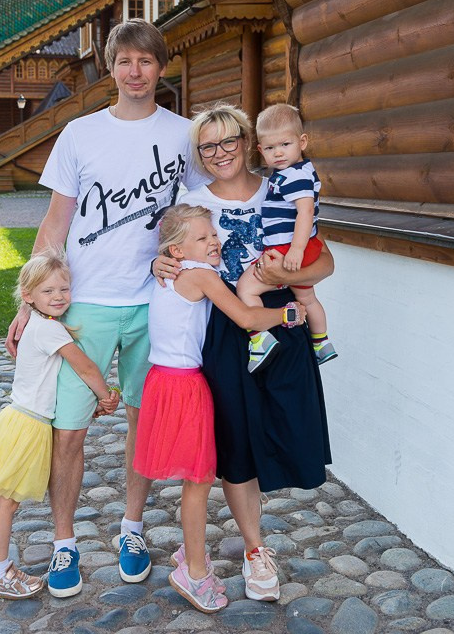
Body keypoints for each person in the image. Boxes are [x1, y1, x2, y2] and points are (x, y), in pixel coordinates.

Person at [5, 19, 205, 595]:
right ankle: (64, 543)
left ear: (161, 67)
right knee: (69, 429)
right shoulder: (80, 133)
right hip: (83, 304)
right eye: (125, 62)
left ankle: (132, 529)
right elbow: (56, 221)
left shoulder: (183, 136)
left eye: (146, 61)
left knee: (143, 421)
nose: (135, 72)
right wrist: (29, 302)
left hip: (154, 304)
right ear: (111, 68)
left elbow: (199, 212)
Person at [152, 103, 332, 602]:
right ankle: (255, 549)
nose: (220, 152)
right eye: (208, 145)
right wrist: (157, 264)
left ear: (247, 141)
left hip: (282, 319)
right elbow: (170, 257)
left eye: (228, 140)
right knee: (237, 443)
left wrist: (288, 277)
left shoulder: (282, 185)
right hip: (226, 327)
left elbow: (324, 262)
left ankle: (252, 539)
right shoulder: (192, 200)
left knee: (286, 426)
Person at [134, 204, 305, 613]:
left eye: (213, 234)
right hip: (184, 386)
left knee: (196, 479)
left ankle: (190, 554)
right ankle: (194, 572)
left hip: (162, 379)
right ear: (177, 251)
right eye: (202, 237)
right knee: (198, 482)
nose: (214, 242)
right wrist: (285, 314)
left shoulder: (174, 272)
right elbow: (245, 316)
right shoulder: (201, 275)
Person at [0, 249, 118, 600]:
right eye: (48, 291)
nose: (58, 296)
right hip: (29, 426)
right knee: (7, 503)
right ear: (28, 296)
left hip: (14, 418)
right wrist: (106, 396)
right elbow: (85, 367)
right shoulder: (49, 330)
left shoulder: (38, 324)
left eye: (64, 289)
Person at [236, 103, 337, 371]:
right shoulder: (297, 172)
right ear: (260, 150)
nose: (278, 153)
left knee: (246, 289)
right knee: (307, 298)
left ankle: (259, 338)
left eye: (285, 144)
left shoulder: (293, 176)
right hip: (302, 246)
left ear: (302, 142)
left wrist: (295, 250)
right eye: (270, 148)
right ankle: (322, 342)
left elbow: (306, 212)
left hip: (286, 248)